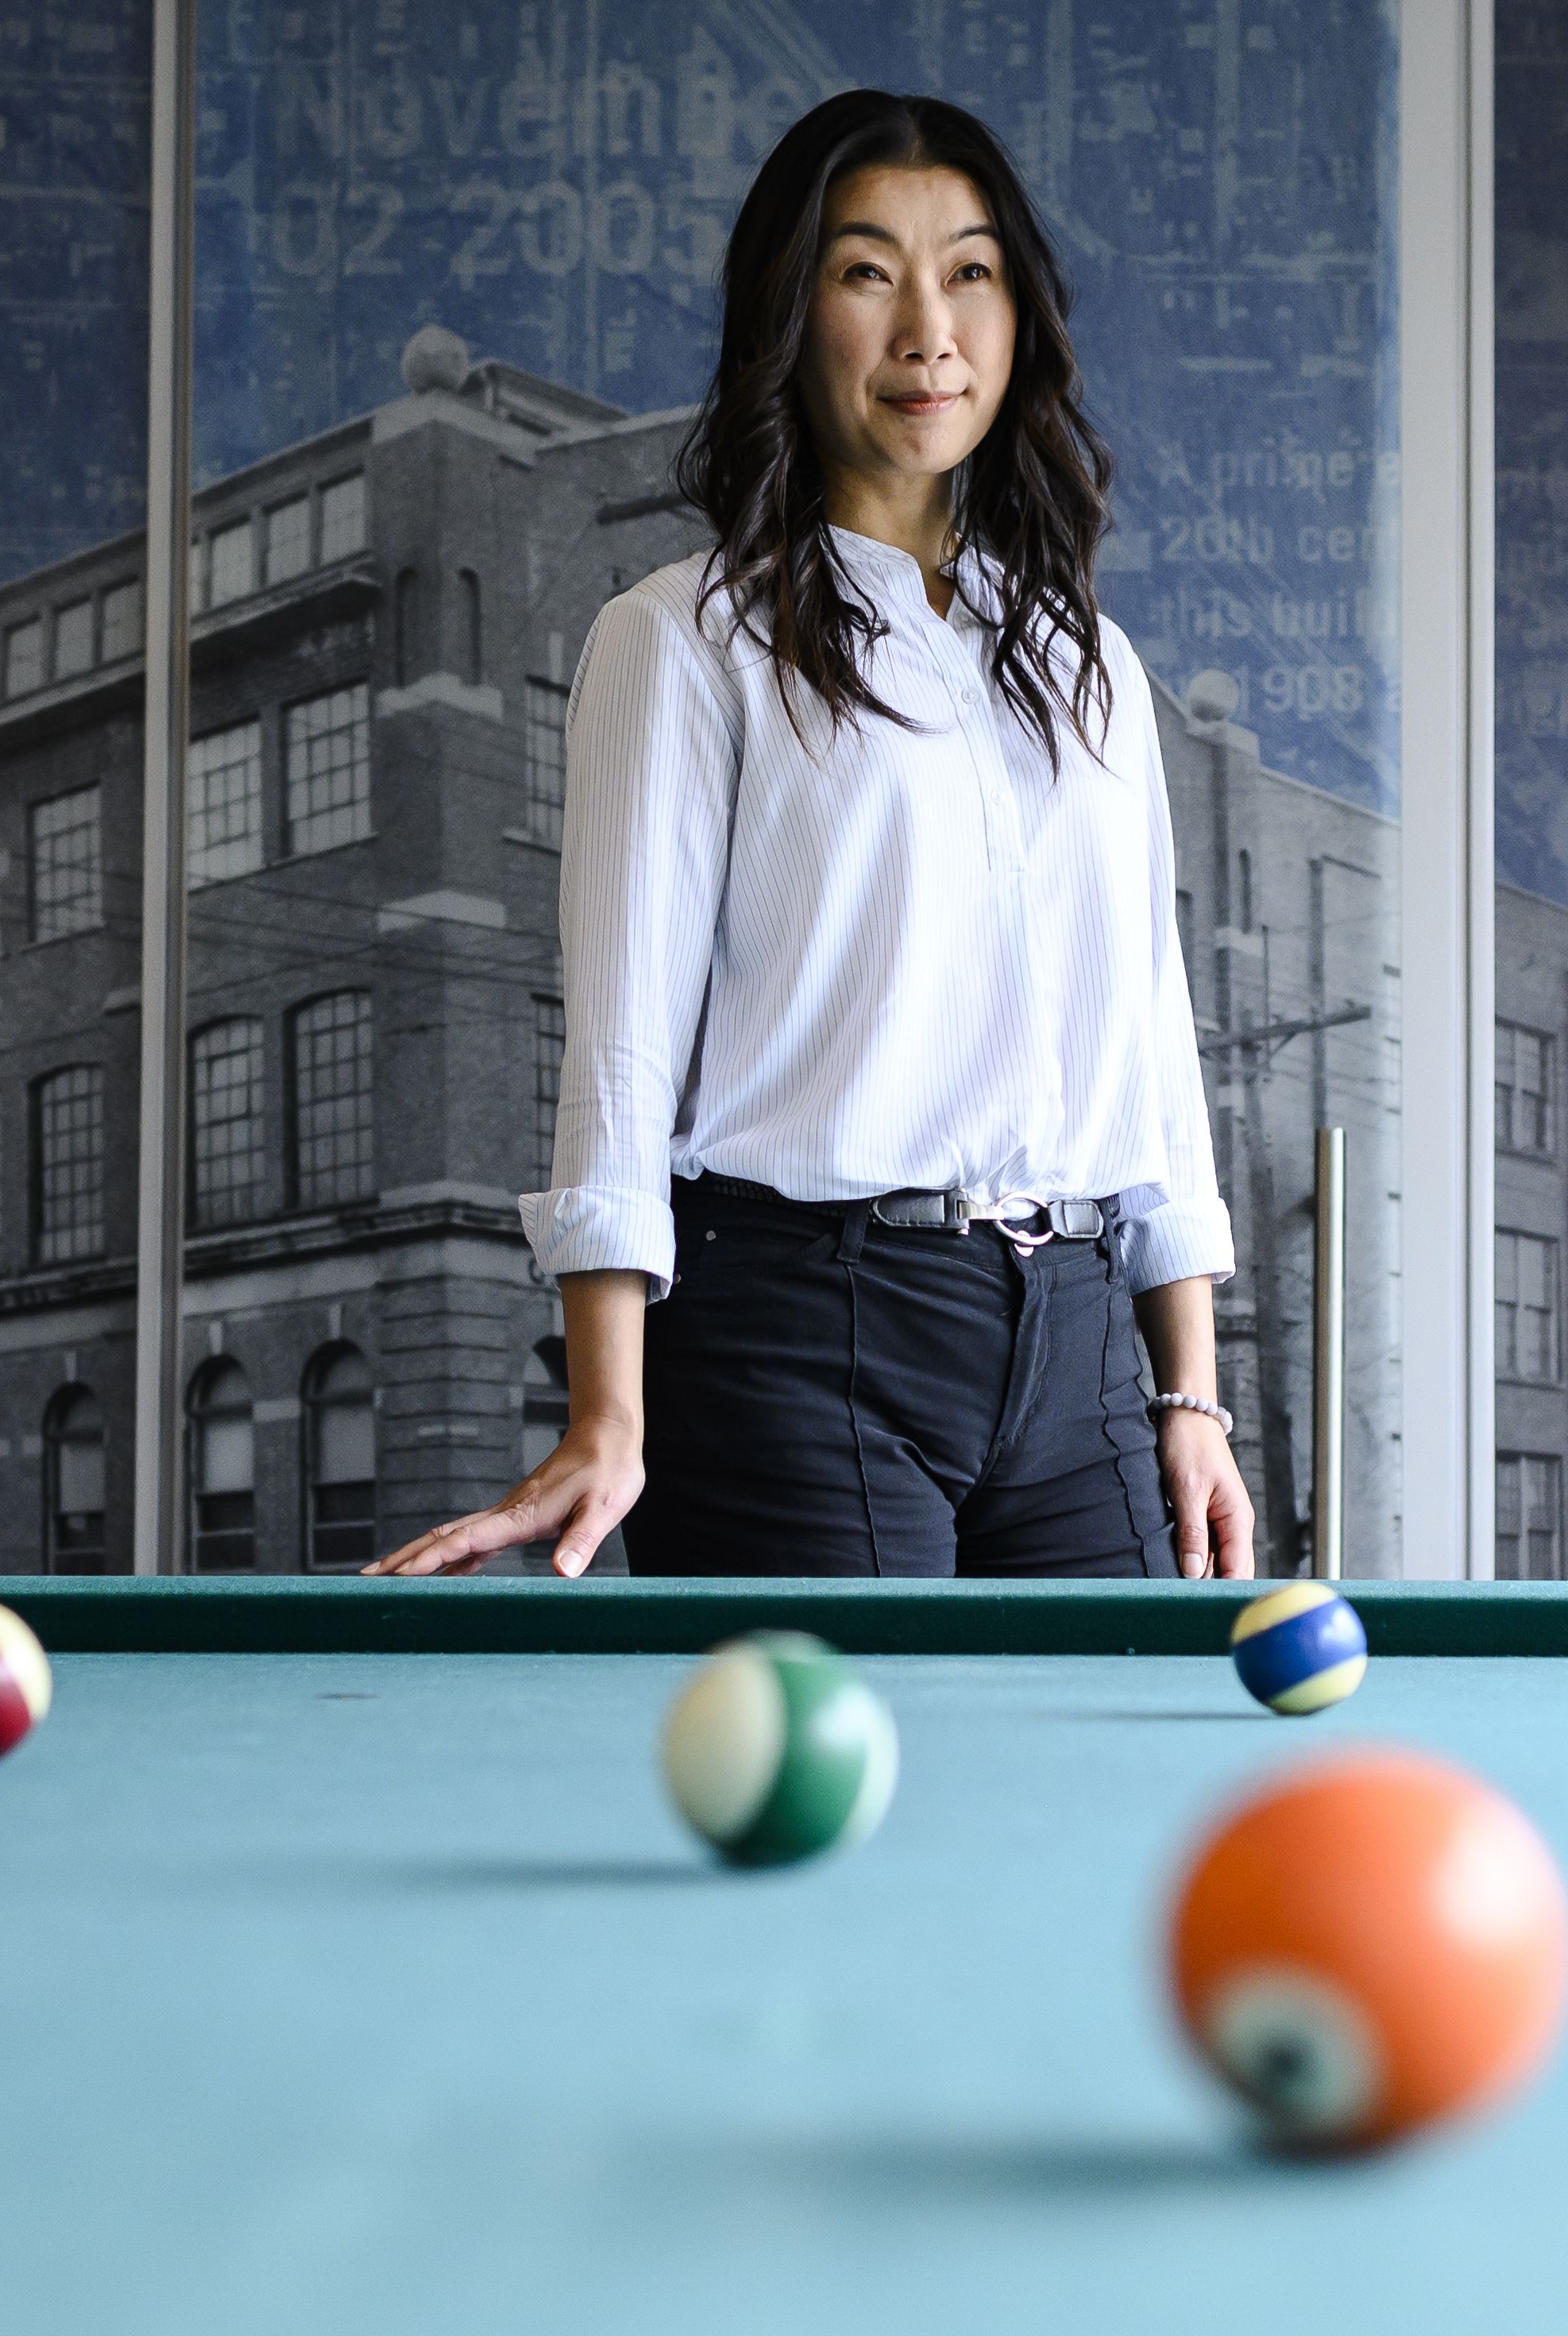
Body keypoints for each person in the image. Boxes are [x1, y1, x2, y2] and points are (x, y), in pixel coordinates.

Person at [366, 90, 1252, 1583]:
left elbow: (1152, 1052)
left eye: (968, 272)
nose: (928, 329)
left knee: (1092, 1802)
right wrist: (607, 1414)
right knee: (839, 1796)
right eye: (866, 272)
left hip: (1084, 1349)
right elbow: (623, 1057)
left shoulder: (1092, 667)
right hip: (796, 1334)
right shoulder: (678, 640)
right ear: (790, 314)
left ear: (1018, 313)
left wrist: (1192, 1394)